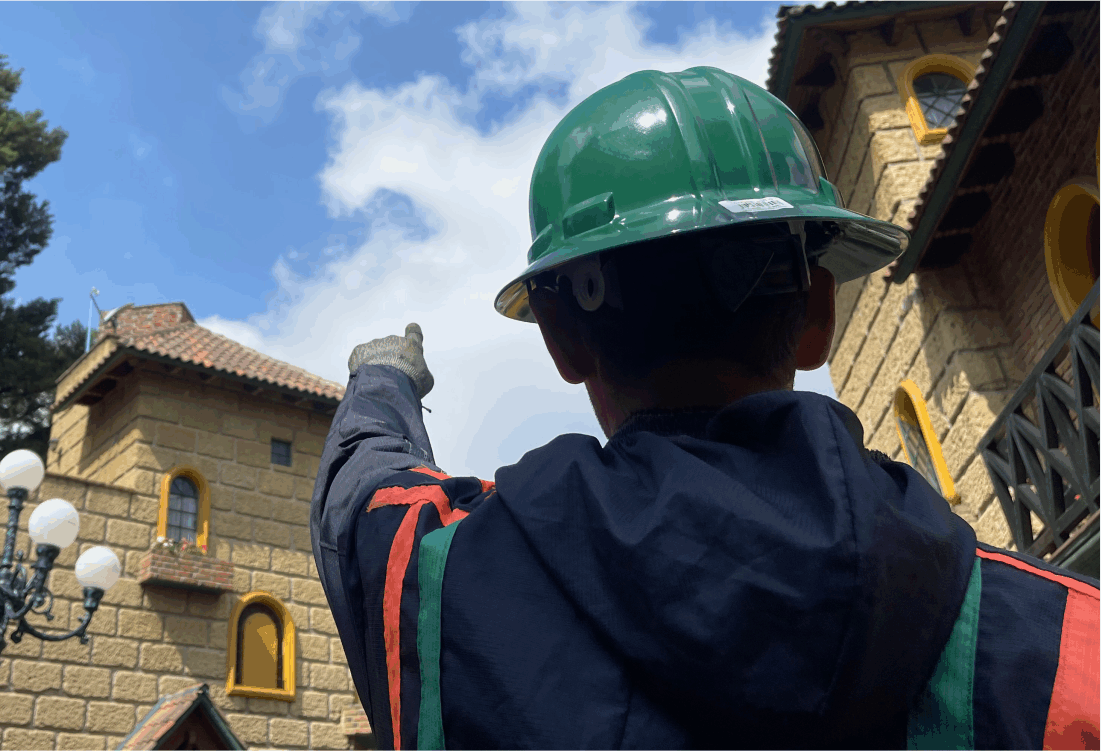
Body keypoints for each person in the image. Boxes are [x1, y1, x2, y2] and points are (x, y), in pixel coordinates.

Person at [309, 66, 1099, 750]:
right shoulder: (1064, 642)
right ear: (818, 316)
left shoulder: (440, 588)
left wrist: (385, 380)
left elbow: (363, 494)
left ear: (561, 342)